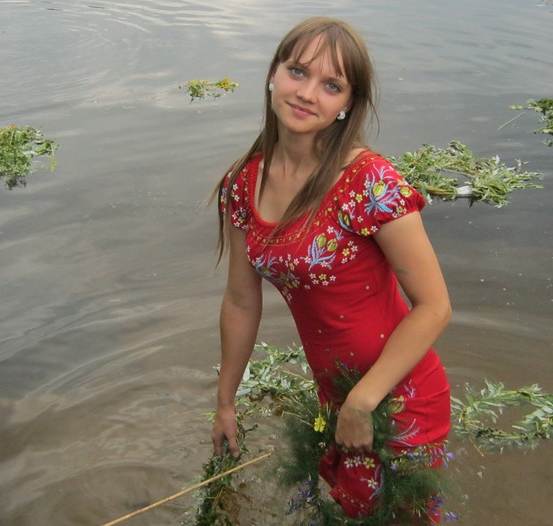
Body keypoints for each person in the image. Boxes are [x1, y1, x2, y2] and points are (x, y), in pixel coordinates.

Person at [211, 16, 452, 522]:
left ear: (347, 104)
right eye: (298, 71)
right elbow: (240, 301)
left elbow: (434, 307)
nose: (307, 94)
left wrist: (362, 401)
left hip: (399, 395)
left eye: (331, 85)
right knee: (352, 513)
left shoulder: (370, 183)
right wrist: (226, 402)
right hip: (335, 394)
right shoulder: (243, 183)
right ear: (273, 74)